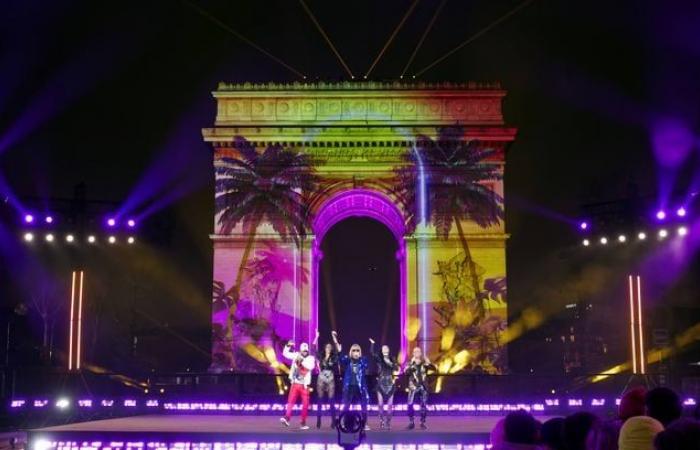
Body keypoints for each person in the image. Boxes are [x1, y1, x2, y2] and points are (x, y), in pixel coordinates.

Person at [334, 331, 371, 430]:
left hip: (360, 387)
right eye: (354, 350)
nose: (356, 352)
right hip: (349, 387)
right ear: (351, 351)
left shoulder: (363, 360)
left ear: (360, 352)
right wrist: (338, 347)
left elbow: (367, 365)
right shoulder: (347, 360)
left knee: (364, 406)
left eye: (357, 350)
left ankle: (364, 424)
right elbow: (340, 359)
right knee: (346, 406)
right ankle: (342, 423)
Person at [279, 340, 316, 430]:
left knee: (305, 404)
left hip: (304, 385)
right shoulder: (296, 355)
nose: (304, 352)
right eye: (303, 350)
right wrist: (288, 345)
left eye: (306, 350)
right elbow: (285, 354)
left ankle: (303, 423)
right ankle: (287, 418)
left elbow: (310, 367)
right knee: (290, 402)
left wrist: (300, 360)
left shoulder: (311, 358)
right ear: (300, 350)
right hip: (295, 383)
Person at [369, 337, 400, 430]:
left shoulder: (392, 359)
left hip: (390, 383)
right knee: (380, 404)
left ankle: (388, 422)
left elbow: (396, 369)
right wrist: (372, 344)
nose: (385, 349)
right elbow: (372, 353)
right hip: (381, 383)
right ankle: (381, 420)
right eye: (383, 348)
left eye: (386, 348)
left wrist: (390, 362)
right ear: (382, 351)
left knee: (390, 405)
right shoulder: (379, 359)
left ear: (389, 350)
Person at [312, 330, 338, 429]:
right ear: (325, 348)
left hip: (330, 379)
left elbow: (338, 350)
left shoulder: (334, 357)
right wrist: (317, 336)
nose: (328, 348)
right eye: (327, 347)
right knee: (320, 400)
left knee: (331, 401)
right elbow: (313, 347)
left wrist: (334, 337)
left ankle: (333, 421)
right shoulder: (321, 356)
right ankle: (318, 420)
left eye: (330, 347)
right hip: (321, 379)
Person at [405, 346, 435, 430]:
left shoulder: (424, 364)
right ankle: (411, 422)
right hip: (413, 387)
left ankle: (422, 422)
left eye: (418, 351)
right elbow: (406, 372)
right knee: (410, 404)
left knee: (423, 405)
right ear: (413, 353)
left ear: (421, 353)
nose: (417, 353)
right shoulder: (410, 363)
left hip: (423, 387)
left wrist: (429, 362)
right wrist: (411, 363)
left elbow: (434, 368)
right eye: (415, 351)